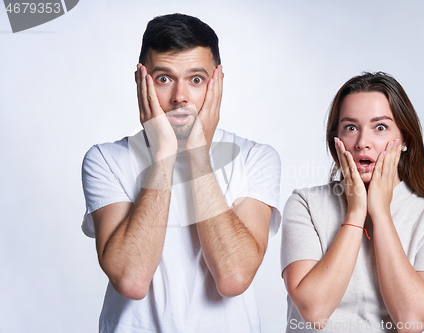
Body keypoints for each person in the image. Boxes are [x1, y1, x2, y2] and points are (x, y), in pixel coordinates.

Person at [81, 13, 281, 333]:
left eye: (196, 79)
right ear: (140, 81)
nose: (180, 97)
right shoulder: (105, 159)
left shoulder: (257, 158)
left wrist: (198, 156)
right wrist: (164, 155)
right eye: (164, 78)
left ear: (217, 83)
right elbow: (131, 279)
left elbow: (233, 277)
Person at [281, 72, 424, 332]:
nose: (362, 143)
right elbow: (314, 311)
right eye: (350, 127)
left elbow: (412, 320)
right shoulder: (306, 204)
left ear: (405, 139)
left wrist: (380, 213)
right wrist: (356, 213)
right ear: (336, 140)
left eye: (380, 127)